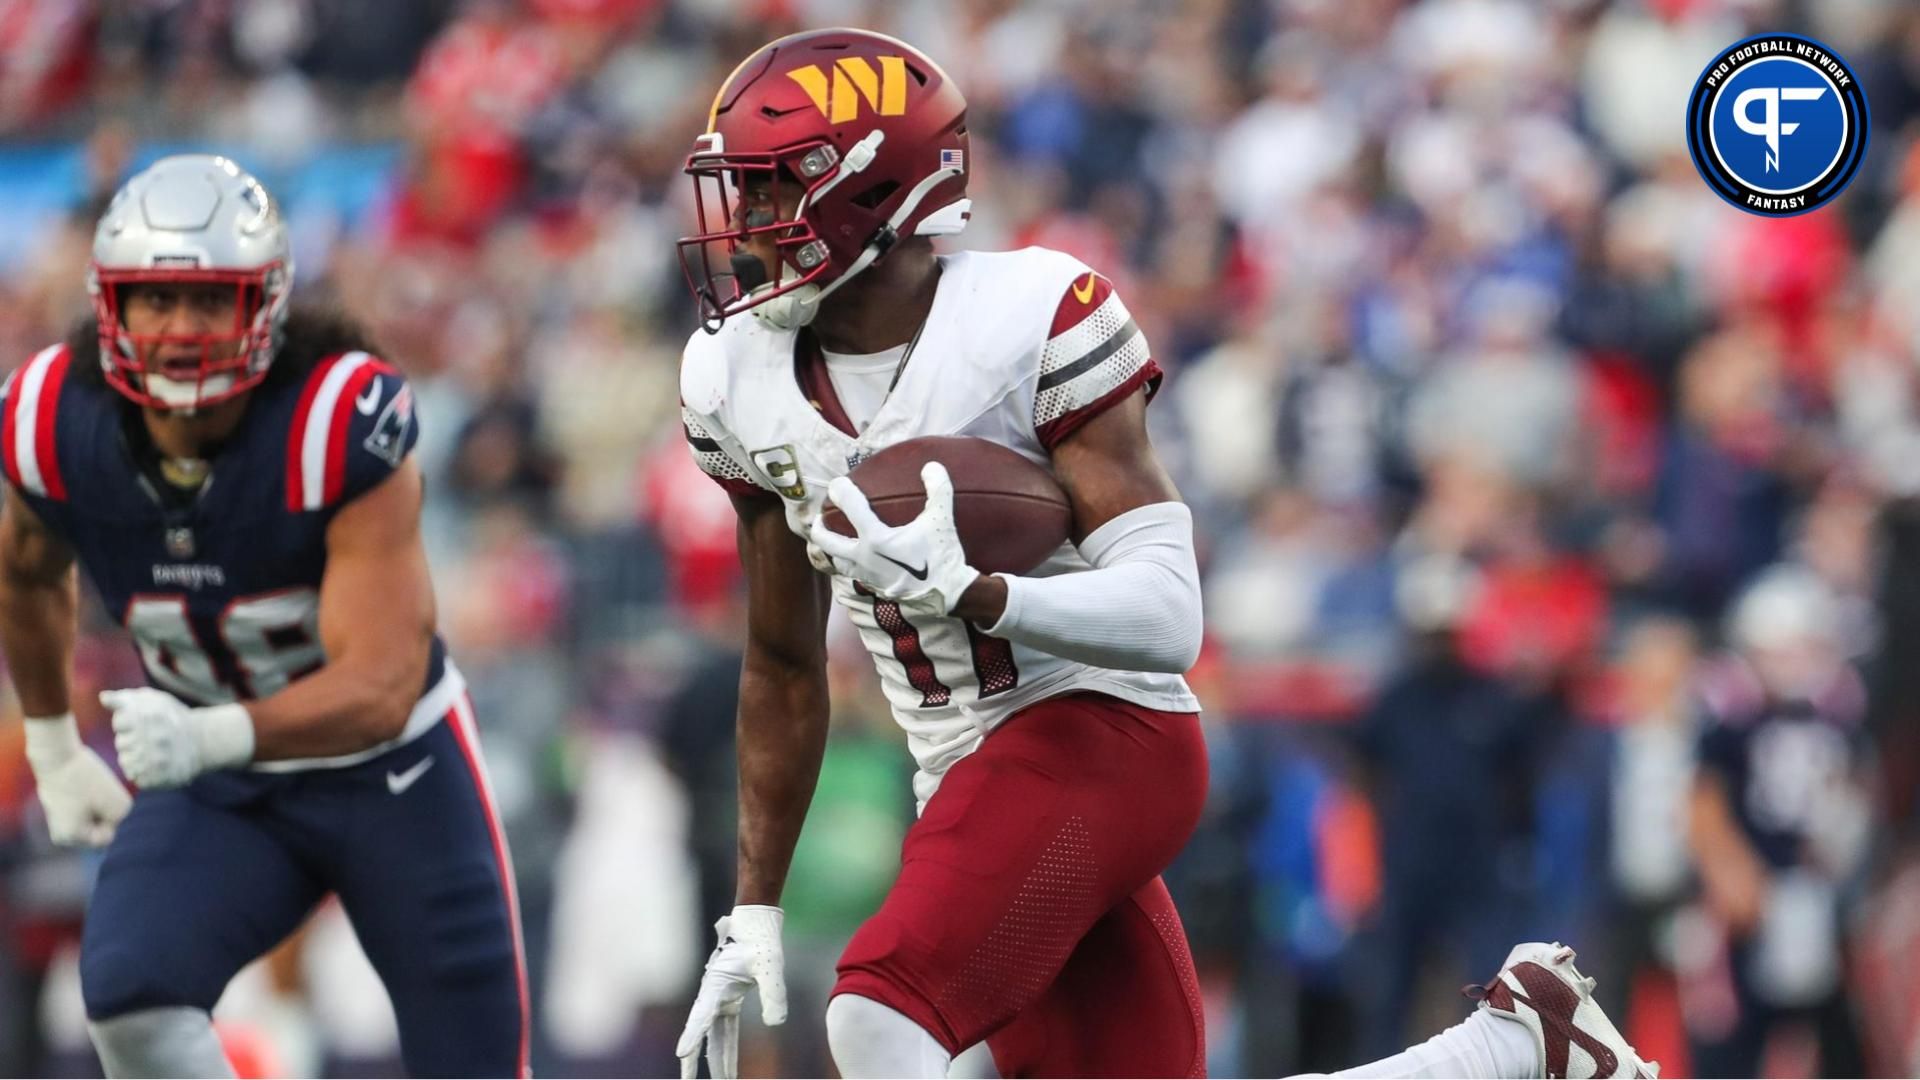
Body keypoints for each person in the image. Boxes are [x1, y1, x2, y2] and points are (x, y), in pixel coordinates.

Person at [671, 28, 1655, 1080]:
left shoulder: (1025, 316)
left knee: (877, 1015)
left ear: (873, 194)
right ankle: (1516, 1047)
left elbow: (1168, 617)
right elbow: (781, 662)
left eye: (773, 193)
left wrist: (978, 591)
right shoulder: (738, 377)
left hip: (1101, 730)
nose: (748, 227)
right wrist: (753, 911)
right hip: (960, 768)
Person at [1, 154, 528, 1078]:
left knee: (477, 1066)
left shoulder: (332, 418)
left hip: (391, 772)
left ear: (267, 307)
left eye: (212, 301)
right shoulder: (54, 418)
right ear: (108, 306)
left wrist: (209, 739)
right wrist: (49, 746)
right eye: (155, 302)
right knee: (132, 997)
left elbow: (380, 683)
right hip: (224, 789)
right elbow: (24, 572)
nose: (179, 330)